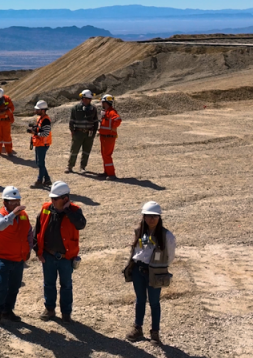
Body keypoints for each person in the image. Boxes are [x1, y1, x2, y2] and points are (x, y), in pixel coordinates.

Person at [34, 181, 86, 323]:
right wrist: (38, 251)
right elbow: (37, 229)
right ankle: (50, 309)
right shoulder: (46, 208)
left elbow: (81, 224)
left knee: (66, 286)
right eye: (51, 198)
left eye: (55, 199)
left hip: (66, 257)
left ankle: (66, 313)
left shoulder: (75, 211)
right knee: (49, 284)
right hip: (48, 255)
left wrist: (68, 211)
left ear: (65, 199)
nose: (52, 201)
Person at [125, 201, 176, 344]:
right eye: (148, 216)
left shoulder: (167, 236)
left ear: (159, 218)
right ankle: (138, 328)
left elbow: (170, 256)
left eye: (155, 216)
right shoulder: (139, 232)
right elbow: (136, 251)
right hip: (138, 270)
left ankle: (155, 333)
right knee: (140, 300)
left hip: (155, 273)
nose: (151, 219)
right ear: (144, 217)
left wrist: (158, 268)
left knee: (154, 302)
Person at [0, 186, 33, 326]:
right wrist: (13, 214)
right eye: (12, 202)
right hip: (2, 257)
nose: (16, 204)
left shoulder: (23, 215)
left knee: (14, 286)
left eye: (17, 201)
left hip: (18, 258)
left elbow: (28, 232)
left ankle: (8, 311)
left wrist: (28, 250)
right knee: (1, 285)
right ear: (5, 203)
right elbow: (0, 226)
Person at [67, 89, 98, 173]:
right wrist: (72, 131)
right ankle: (70, 166)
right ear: (83, 98)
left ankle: (82, 167)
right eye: (88, 99)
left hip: (89, 134)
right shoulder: (75, 108)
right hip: (78, 133)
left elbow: (95, 122)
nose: (90, 100)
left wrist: (93, 133)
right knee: (74, 150)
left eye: (90, 99)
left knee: (86, 151)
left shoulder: (93, 109)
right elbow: (71, 121)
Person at [28, 100, 53, 189]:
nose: (36, 111)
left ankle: (39, 181)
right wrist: (34, 130)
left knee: (40, 163)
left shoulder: (46, 120)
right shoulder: (40, 118)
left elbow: (45, 133)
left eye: (38, 110)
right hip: (39, 143)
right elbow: (40, 129)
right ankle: (47, 179)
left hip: (43, 144)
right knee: (39, 163)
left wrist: (34, 133)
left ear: (43, 110)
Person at [98, 94, 122, 179]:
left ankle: (111, 174)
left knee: (107, 155)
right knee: (104, 155)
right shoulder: (106, 111)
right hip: (104, 137)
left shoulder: (112, 112)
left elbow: (118, 120)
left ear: (105, 102)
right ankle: (106, 172)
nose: (101, 103)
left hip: (109, 137)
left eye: (102, 102)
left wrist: (112, 127)